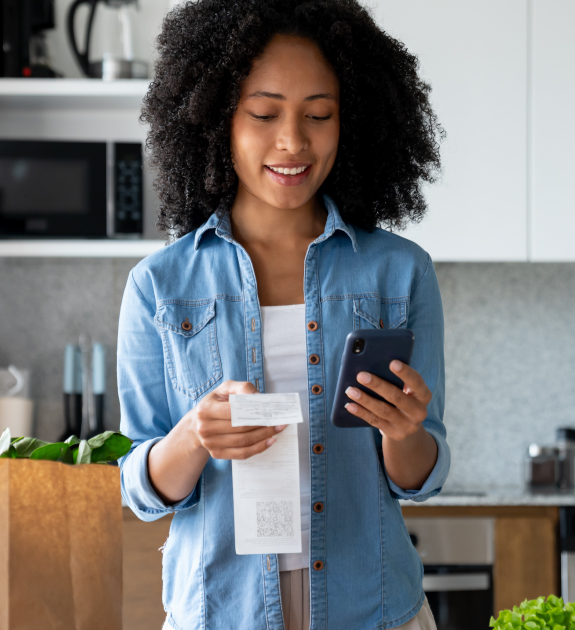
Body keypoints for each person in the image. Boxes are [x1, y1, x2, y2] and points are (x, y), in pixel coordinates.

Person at [118, 1, 447, 628]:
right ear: (217, 119)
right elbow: (140, 489)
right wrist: (194, 436)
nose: (293, 142)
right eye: (264, 113)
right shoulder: (159, 285)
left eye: (319, 115)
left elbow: (420, 478)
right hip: (222, 610)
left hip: (372, 607)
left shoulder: (399, 273)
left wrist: (404, 434)